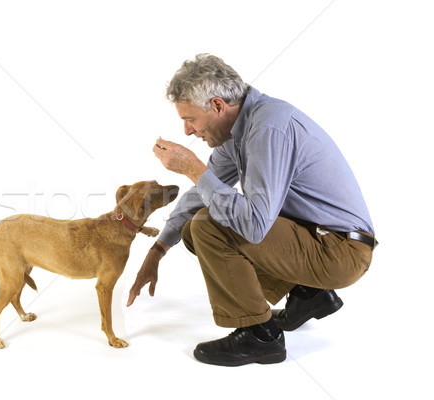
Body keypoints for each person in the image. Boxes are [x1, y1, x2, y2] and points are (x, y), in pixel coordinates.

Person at [126, 54, 377, 367]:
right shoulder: (237, 131)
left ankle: (260, 336)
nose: (188, 131)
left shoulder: (267, 129)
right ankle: (308, 293)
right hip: (320, 240)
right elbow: (201, 193)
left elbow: (254, 225)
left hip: (341, 250)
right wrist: (158, 249)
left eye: (189, 119)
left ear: (217, 106)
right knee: (195, 225)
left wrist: (193, 168)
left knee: (208, 226)